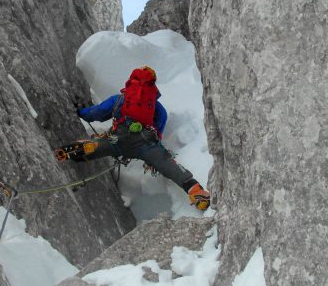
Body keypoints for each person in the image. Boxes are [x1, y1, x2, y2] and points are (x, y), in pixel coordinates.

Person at [55, 66, 211, 210]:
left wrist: (81, 113)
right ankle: (194, 188)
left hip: (118, 139)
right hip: (145, 144)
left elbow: (96, 113)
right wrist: (154, 148)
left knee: (101, 145)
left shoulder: (119, 99)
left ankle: (83, 150)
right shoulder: (157, 107)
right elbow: (159, 129)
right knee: (166, 164)